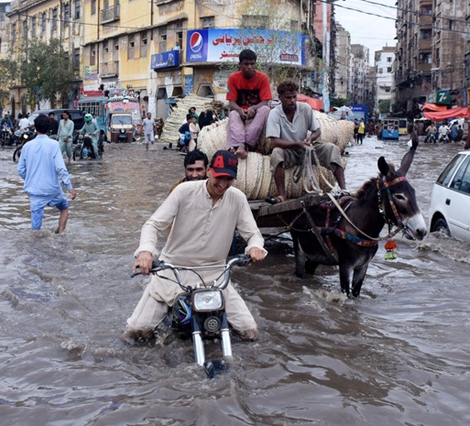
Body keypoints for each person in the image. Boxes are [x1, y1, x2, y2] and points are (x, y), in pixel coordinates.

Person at [126, 150, 267, 341]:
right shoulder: (183, 192)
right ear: (209, 171)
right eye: (219, 177)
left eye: (229, 179)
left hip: (215, 276)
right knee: (136, 331)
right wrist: (146, 252)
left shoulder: (237, 198)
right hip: (173, 272)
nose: (223, 184)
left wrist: (255, 248)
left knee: (250, 331)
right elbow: (153, 224)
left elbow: (253, 234)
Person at [266, 80, 346, 203]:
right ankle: (282, 195)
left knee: (332, 149)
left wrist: (310, 139)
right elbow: (275, 141)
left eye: (294, 97)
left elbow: (317, 131)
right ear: (280, 98)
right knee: (276, 153)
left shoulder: (305, 108)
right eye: (288, 98)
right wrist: (297, 144)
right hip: (288, 151)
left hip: (306, 148)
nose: (292, 100)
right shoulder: (274, 114)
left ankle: (343, 190)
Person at [17, 114, 77, 233]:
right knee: (64, 207)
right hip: (52, 190)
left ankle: (36, 246)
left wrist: (31, 179)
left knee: (35, 228)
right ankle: (59, 234)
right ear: (49, 129)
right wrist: (70, 188)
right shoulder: (54, 144)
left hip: (35, 193)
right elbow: (61, 168)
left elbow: (20, 170)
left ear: (35, 128)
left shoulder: (27, 146)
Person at [226, 48, 272, 159]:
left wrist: (254, 108)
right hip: (240, 112)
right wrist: (239, 110)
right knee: (233, 114)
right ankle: (240, 145)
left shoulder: (263, 78)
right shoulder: (233, 78)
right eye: (246, 64)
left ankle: (249, 142)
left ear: (255, 64)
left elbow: (265, 101)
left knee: (265, 109)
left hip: (256, 112)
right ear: (240, 65)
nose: (249, 67)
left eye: (252, 64)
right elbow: (231, 102)